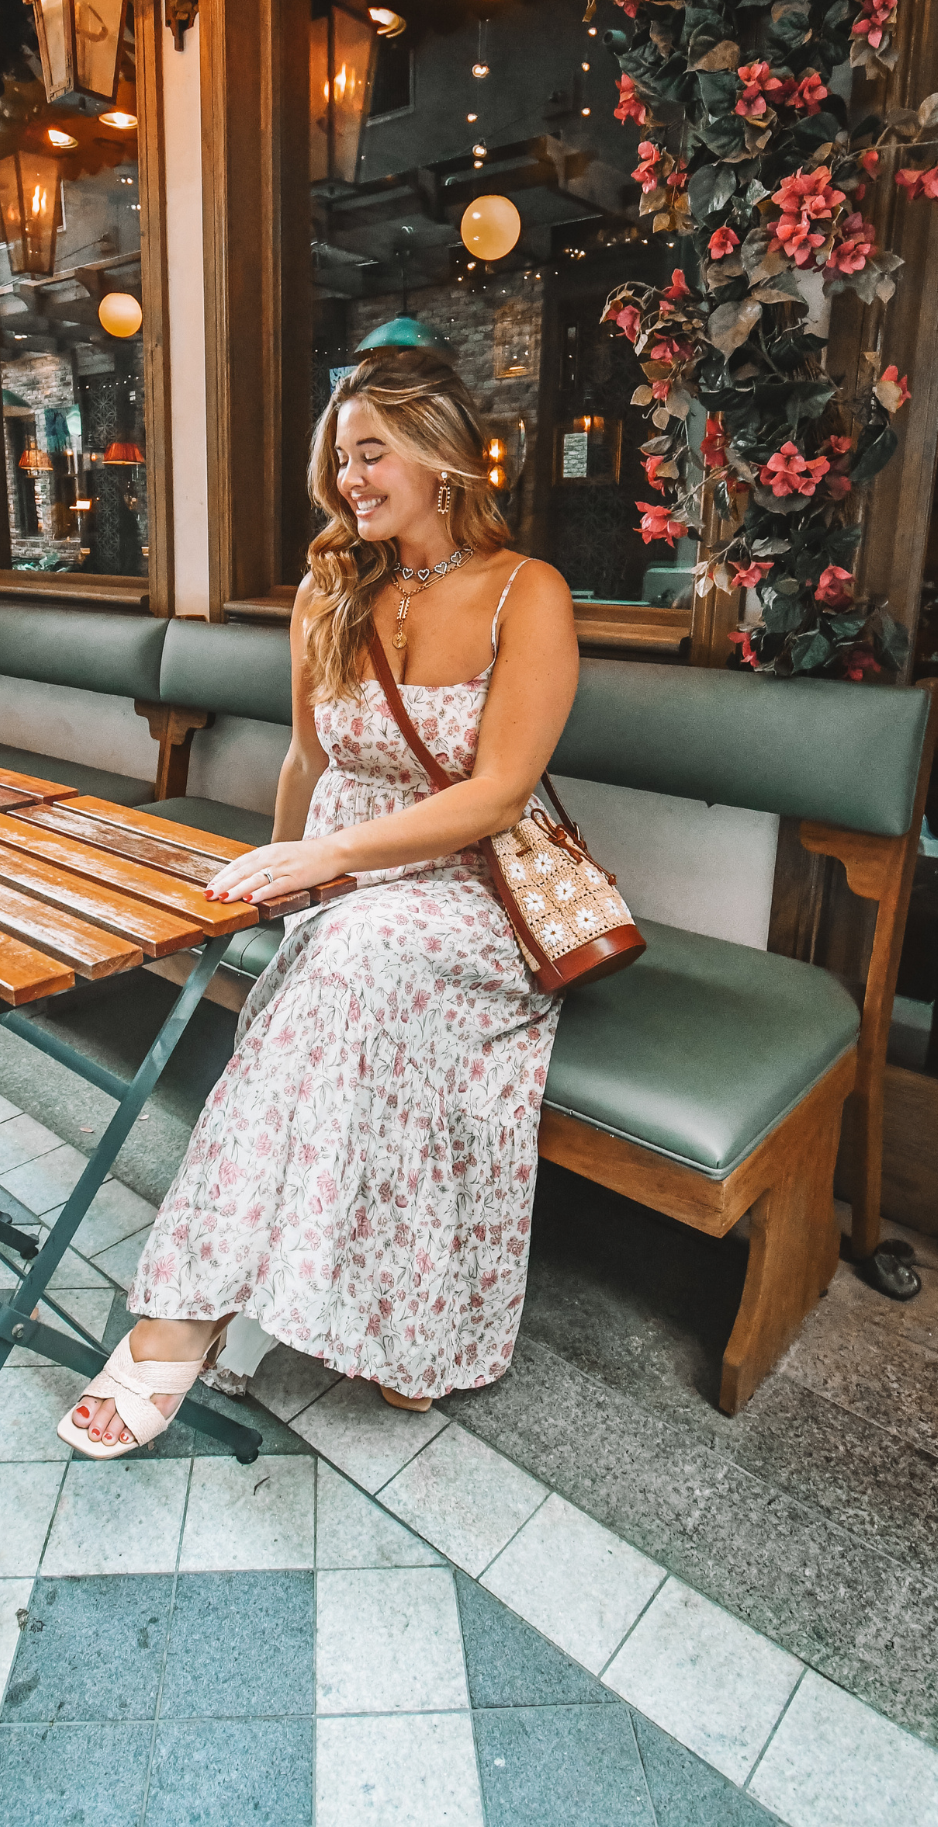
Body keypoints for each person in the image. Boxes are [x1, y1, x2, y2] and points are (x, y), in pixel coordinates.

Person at [59, 346, 579, 1457]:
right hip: (346, 890)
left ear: (444, 456)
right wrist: (281, 872)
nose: (350, 478)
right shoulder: (330, 591)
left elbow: (498, 795)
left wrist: (322, 863)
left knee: (354, 964)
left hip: (471, 891)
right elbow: (307, 758)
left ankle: (185, 1315)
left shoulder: (526, 592)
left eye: (373, 452)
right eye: (342, 457)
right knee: (342, 967)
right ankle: (374, 1326)